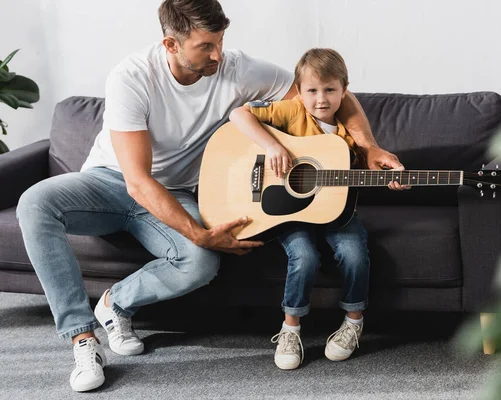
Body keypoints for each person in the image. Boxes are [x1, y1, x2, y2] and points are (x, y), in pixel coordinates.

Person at [16, 0, 404, 392]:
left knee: (201, 264)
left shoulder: (235, 67)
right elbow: (137, 182)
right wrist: (200, 234)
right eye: (206, 46)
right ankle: (83, 338)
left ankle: (115, 303)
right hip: (111, 183)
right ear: (171, 44)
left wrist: (368, 147)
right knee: (35, 203)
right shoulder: (131, 77)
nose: (218, 54)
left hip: (180, 191)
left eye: (220, 41)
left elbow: (327, 92)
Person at [230, 48, 405, 370]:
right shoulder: (290, 112)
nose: (320, 99)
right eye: (311, 90)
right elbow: (238, 115)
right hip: (290, 212)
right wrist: (272, 146)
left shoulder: (347, 135)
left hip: (337, 212)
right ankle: (290, 328)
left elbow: (370, 163)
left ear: (344, 91)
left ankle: (353, 322)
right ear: (299, 90)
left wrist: (393, 177)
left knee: (354, 254)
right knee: (305, 256)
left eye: (329, 90)